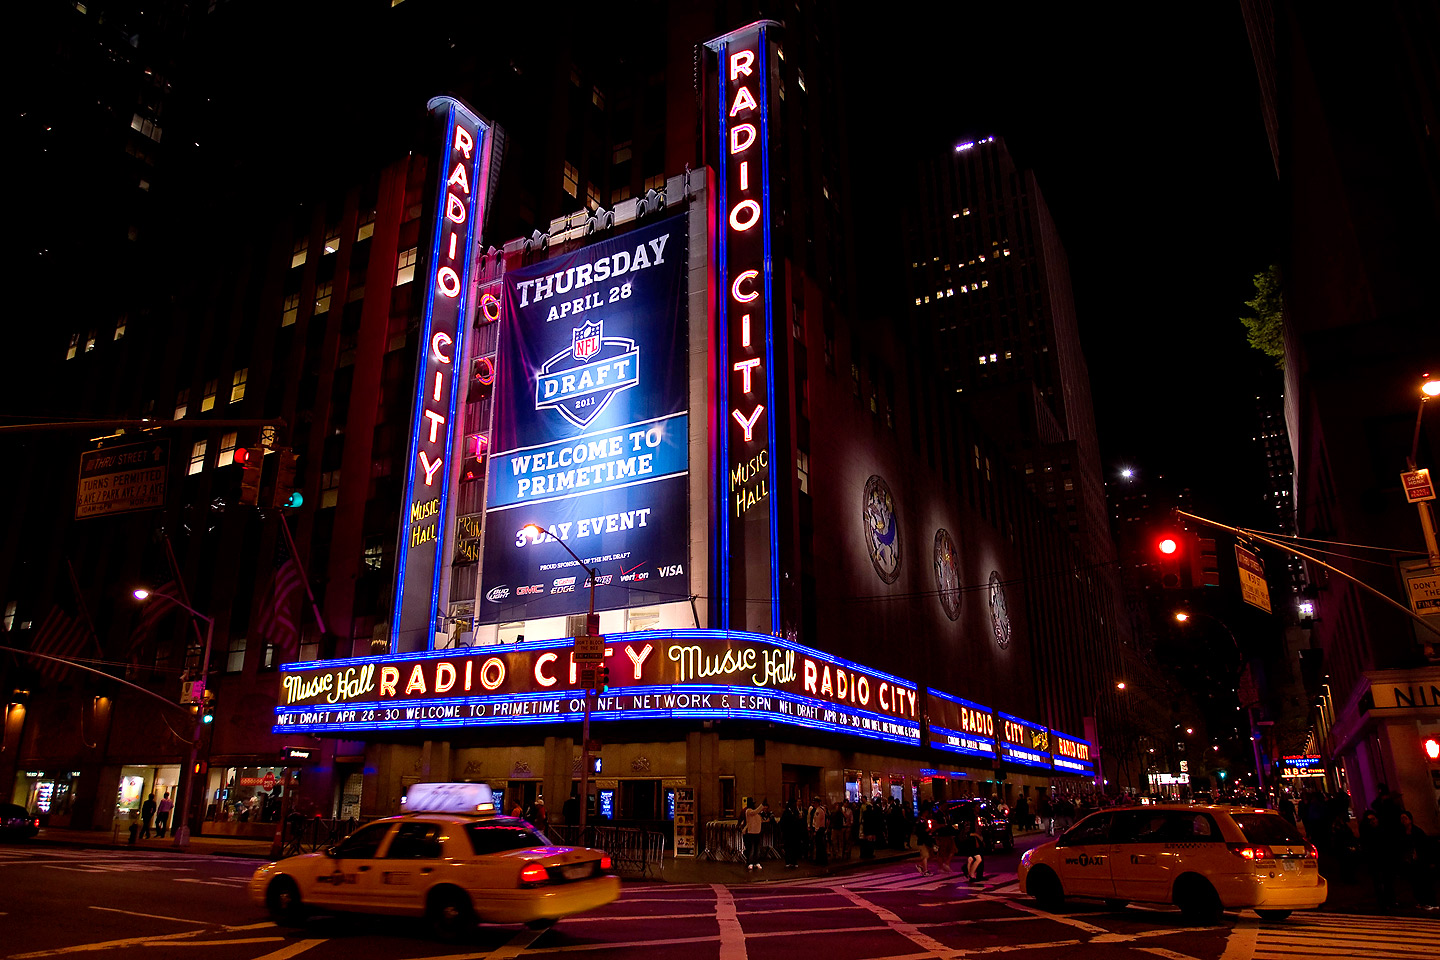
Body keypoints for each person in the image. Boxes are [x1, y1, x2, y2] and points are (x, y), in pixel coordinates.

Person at [1396, 810, 1438, 911]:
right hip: (1411, 862)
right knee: (1415, 883)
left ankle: (1430, 902)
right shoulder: (1402, 833)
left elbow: (1426, 846)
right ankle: (1421, 901)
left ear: (1410, 820)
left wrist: (1430, 860)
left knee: (1425, 882)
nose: (1403, 820)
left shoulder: (1417, 832)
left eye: (1405, 818)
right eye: (1401, 818)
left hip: (1421, 861)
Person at [781, 801, 805, 868]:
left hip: (794, 833)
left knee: (794, 848)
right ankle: (788, 861)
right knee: (788, 848)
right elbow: (783, 823)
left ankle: (794, 861)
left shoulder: (795, 812)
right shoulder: (786, 812)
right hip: (788, 833)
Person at [743, 798, 764, 871]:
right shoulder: (748, 811)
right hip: (751, 832)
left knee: (757, 849)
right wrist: (762, 806)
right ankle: (750, 862)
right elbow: (755, 812)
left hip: (757, 832)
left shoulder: (756, 813)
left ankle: (756, 861)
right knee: (751, 848)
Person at [809, 797, 829, 865]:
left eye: (814, 803)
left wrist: (815, 830)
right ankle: (821, 860)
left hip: (819, 830)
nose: (813, 804)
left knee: (820, 846)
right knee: (820, 846)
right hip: (820, 829)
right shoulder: (820, 810)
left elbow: (817, 822)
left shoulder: (818, 811)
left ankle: (820, 860)